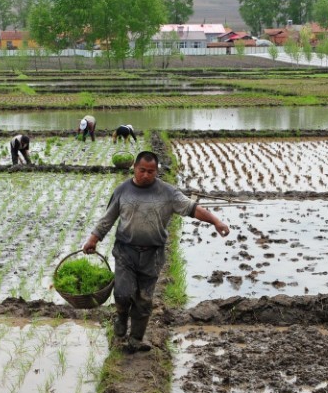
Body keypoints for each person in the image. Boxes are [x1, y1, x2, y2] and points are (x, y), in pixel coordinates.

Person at [82, 151, 230, 353]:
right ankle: (122, 317)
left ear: (157, 171)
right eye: (142, 170)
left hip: (153, 254)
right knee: (123, 293)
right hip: (126, 251)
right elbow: (108, 219)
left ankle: (135, 339)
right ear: (134, 167)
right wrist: (93, 239)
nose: (145, 175)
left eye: (150, 171)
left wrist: (216, 221)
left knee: (144, 300)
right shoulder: (122, 191)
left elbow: (192, 208)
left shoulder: (168, 193)